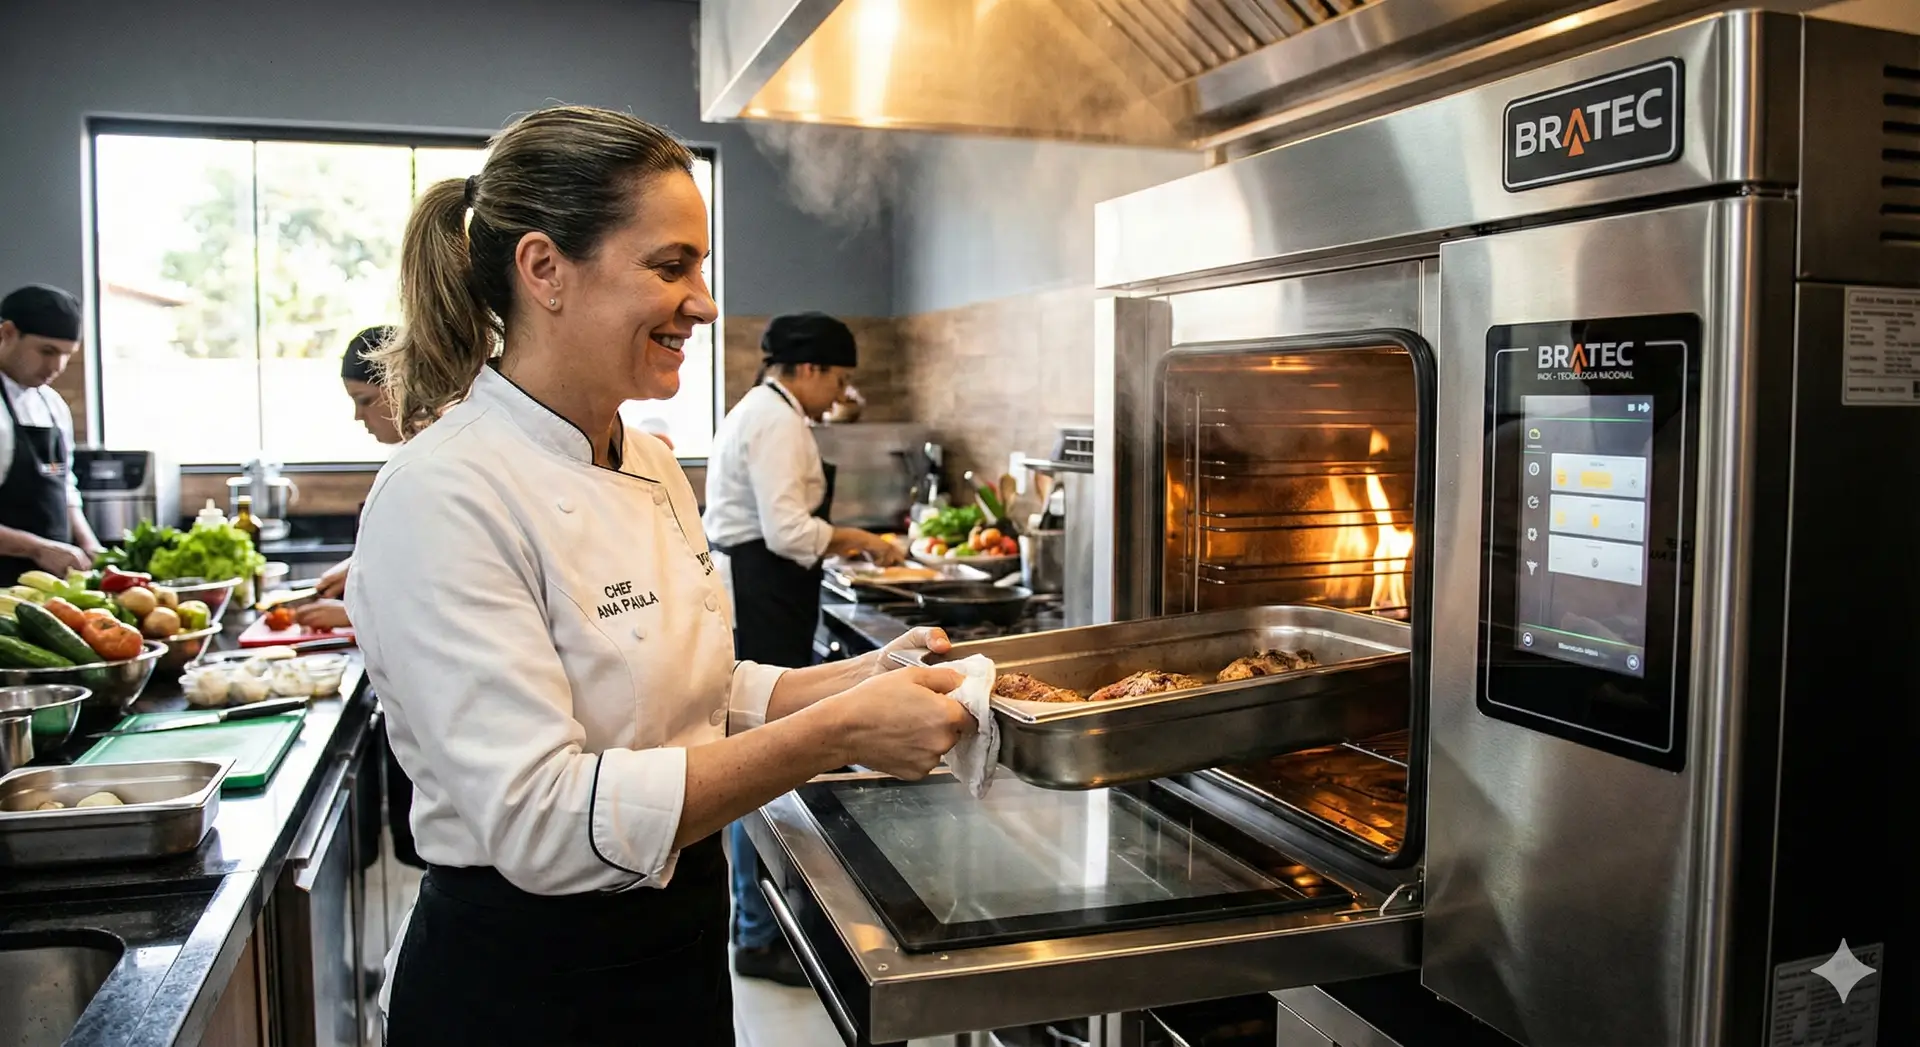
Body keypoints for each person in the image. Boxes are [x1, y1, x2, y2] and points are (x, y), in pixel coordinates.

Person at [345, 105, 972, 1047]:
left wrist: (860, 680)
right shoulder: (443, 493)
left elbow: (701, 693)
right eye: (671, 265)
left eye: (702, 267)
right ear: (545, 269)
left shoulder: (646, 461)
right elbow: (545, 820)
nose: (708, 302)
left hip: (675, 951)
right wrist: (834, 731)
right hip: (525, 989)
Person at [701, 312, 903, 984]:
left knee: (762, 756)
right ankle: (758, 935)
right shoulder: (779, 420)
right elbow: (789, 531)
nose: (839, 393)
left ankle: (756, 923)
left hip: (764, 590)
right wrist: (863, 539)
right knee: (762, 760)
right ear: (810, 369)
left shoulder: (766, 411)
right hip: (762, 591)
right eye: (839, 378)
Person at [0, 285, 103, 586]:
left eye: (66, 355)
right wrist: (37, 548)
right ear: (6, 333)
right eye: (47, 351)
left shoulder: (53, 404)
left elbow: (65, 489)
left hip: (49, 593)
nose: (56, 366)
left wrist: (90, 546)